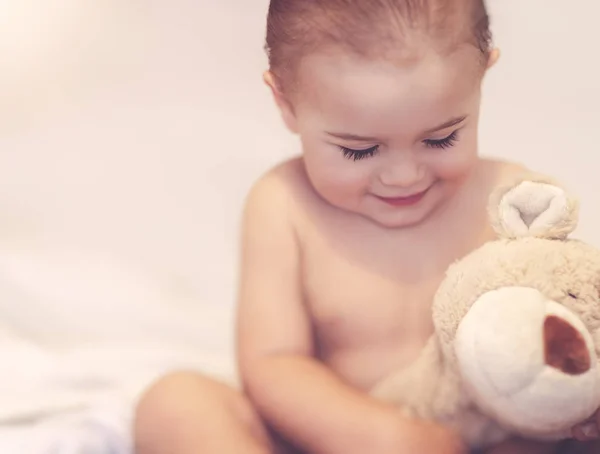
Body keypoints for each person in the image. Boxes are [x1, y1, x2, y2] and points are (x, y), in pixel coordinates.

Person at [133, 1, 600, 453]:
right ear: (285, 102)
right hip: (332, 438)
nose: (404, 175)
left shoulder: (513, 198)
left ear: (481, 78)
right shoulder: (284, 205)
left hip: (491, 437)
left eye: (441, 138)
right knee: (175, 404)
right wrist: (379, 437)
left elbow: (569, 317)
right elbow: (273, 363)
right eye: (359, 150)